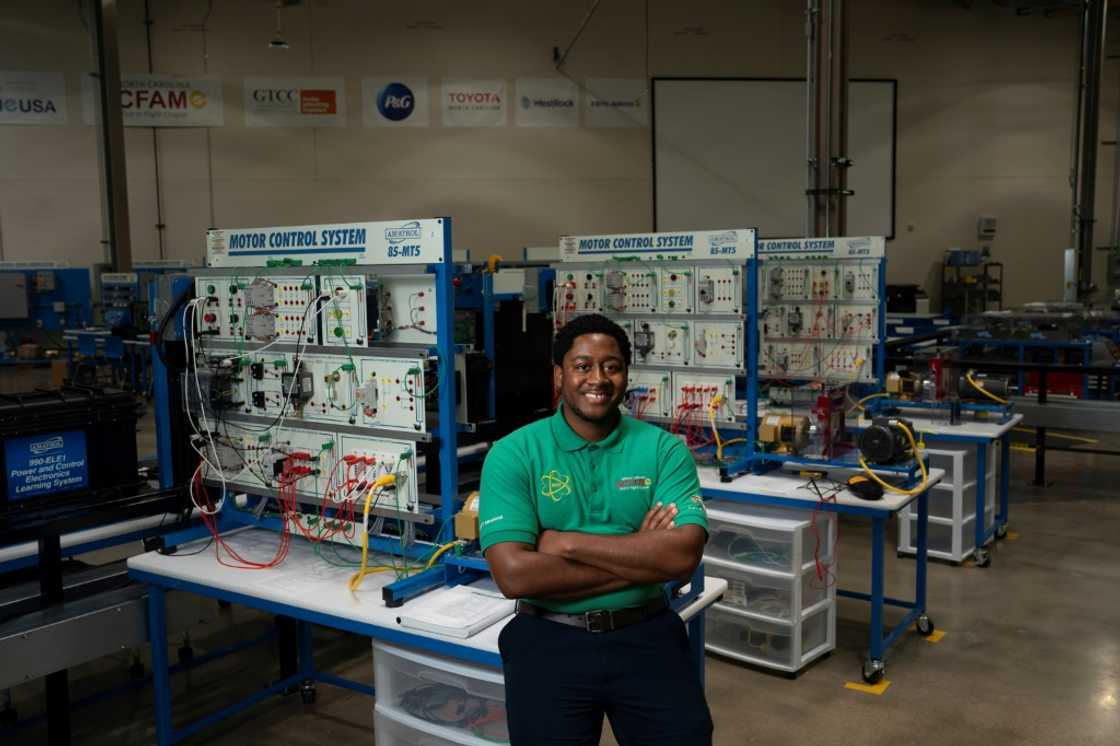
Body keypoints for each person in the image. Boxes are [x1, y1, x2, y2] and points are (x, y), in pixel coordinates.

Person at [479, 313, 713, 746]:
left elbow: (682, 556)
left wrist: (565, 544)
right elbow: (514, 575)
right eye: (583, 365)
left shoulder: (664, 450)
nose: (598, 379)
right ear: (559, 375)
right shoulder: (514, 454)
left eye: (612, 366)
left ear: (626, 374)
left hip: (647, 635)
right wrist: (643, 554)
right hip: (547, 639)